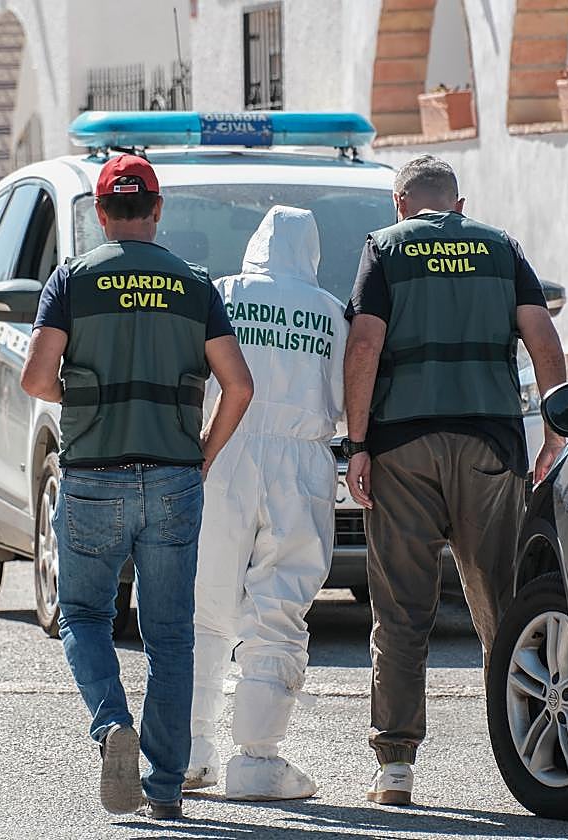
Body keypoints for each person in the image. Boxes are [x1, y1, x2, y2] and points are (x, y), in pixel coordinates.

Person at [20, 154, 254, 820]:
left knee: (85, 615)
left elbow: (35, 379)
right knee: (171, 635)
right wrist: (202, 456)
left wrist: (82, 402)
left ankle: (109, 724)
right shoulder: (195, 284)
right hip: (175, 475)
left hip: (94, 473)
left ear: (100, 214)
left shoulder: (72, 280)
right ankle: (166, 787)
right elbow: (239, 385)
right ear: (156, 210)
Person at [341, 155, 567, 806]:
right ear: (459, 204)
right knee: (504, 603)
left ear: (400, 203)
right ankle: (530, 751)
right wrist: (556, 429)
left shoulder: (385, 249)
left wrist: (358, 445)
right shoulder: (502, 248)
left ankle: (395, 766)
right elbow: (541, 339)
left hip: (403, 447)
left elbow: (364, 347)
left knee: (402, 610)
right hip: (490, 446)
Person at [184, 206, 347, 801]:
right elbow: (348, 399)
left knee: (204, 606)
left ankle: (190, 750)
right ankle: (256, 760)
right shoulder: (331, 312)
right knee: (279, 608)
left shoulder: (224, 292)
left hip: (223, 447)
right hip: (300, 462)